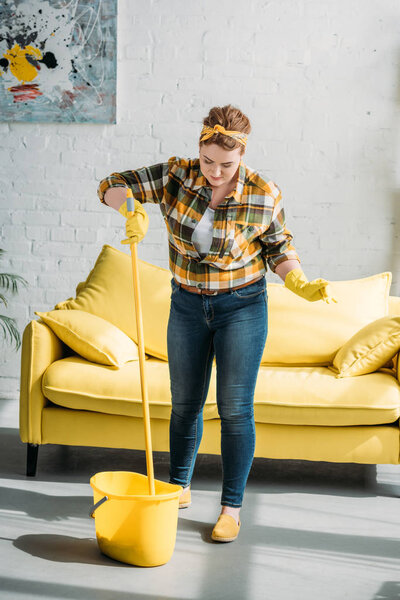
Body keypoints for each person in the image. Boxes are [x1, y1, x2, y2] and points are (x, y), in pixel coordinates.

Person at [97, 104, 337, 543]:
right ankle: (179, 488)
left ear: (242, 154)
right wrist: (130, 207)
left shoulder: (264, 192)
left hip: (242, 307)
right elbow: (110, 185)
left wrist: (297, 279)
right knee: (184, 405)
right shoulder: (176, 175)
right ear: (199, 150)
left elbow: (279, 247)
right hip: (187, 304)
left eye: (226, 164)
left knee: (234, 410)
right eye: (208, 160)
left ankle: (231, 508)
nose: (214, 171)